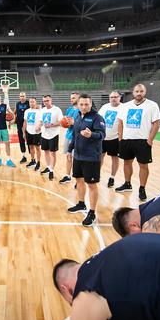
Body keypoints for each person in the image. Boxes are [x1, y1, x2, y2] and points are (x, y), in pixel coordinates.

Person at [115, 84, 160, 201]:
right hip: (127, 139)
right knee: (127, 163)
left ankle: (142, 188)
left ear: (144, 92)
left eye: (141, 91)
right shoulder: (125, 106)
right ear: (133, 92)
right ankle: (127, 184)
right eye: (136, 91)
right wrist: (120, 138)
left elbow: (156, 124)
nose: (139, 93)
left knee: (143, 165)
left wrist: (150, 139)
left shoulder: (152, 105)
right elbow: (120, 123)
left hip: (143, 141)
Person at [66, 94, 105, 227]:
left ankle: (92, 213)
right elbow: (75, 135)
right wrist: (70, 149)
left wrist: (91, 134)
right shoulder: (77, 116)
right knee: (79, 180)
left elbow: (102, 135)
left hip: (91, 157)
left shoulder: (97, 118)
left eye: (86, 104)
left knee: (92, 185)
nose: (83, 107)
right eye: (81, 104)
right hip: (78, 155)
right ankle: (81, 204)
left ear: (90, 103)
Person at [98, 90, 122, 188]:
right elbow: (98, 119)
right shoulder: (105, 107)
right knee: (100, 157)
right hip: (103, 137)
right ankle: (97, 174)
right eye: (111, 97)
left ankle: (112, 177)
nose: (113, 99)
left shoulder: (124, 108)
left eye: (115, 97)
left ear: (120, 97)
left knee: (115, 159)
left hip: (115, 138)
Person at [39, 95, 64, 181]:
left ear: (51, 100)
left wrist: (51, 125)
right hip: (44, 134)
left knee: (53, 153)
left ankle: (51, 171)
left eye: (47, 100)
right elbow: (41, 121)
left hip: (53, 135)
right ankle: (48, 167)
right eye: (44, 101)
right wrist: (39, 126)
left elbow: (61, 122)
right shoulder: (42, 110)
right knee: (46, 151)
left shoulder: (57, 110)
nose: (46, 102)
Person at [59, 92, 80, 184]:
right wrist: (64, 122)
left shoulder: (81, 110)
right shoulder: (69, 110)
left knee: (77, 158)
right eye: (71, 98)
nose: (71, 99)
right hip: (68, 136)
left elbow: (84, 124)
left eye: (74, 98)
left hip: (78, 137)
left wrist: (74, 123)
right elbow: (66, 123)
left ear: (79, 99)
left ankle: (78, 179)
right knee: (68, 156)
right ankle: (67, 176)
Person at [23, 97, 42, 170]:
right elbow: (25, 122)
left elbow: (42, 121)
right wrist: (24, 132)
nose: (31, 103)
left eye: (33, 102)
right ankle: (33, 160)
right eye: (30, 102)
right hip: (29, 132)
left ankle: (39, 162)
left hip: (36, 132)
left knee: (37, 148)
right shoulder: (27, 111)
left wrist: (40, 127)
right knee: (30, 147)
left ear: (35, 102)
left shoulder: (39, 111)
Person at [15, 92, 30, 163]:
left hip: (28, 125)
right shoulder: (17, 104)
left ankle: (32, 157)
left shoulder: (28, 103)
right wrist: (12, 118)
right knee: (21, 141)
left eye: (23, 96)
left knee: (29, 141)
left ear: (25, 96)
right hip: (19, 125)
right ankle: (24, 156)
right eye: (21, 96)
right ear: (19, 97)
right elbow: (15, 112)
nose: (22, 97)